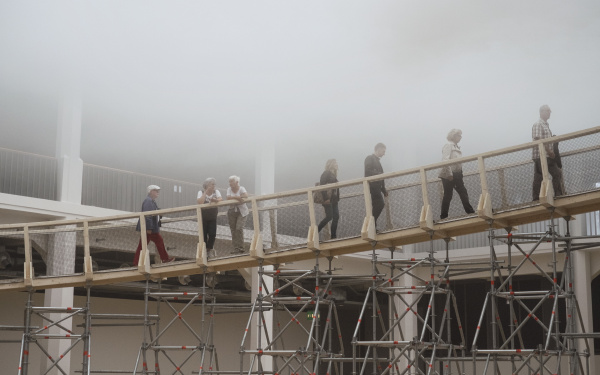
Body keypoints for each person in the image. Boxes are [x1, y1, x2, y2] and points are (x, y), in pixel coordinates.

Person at [133, 185, 175, 266]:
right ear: (151, 191)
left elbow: (152, 213)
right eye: (156, 191)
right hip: (150, 228)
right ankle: (165, 259)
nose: (158, 192)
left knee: (142, 245)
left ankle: (136, 262)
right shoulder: (149, 201)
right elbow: (147, 215)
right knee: (158, 242)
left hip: (149, 228)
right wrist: (149, 228)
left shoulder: (150, 201)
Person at [438, 129, 475, 220]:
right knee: (448, 195)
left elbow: (458, 162)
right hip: (448, 174)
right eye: (459, 135)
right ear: (454, 136)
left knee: (463, 191)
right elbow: (445, 160)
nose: (460, 137)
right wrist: (449, 174)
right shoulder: (448, 145)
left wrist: (460, 173)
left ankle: (470, 211)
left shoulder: (456, 147)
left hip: (457, 173)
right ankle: (444, 216)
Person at [532, 105, 565, 200]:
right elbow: (537, 139)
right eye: (548, 110)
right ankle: (536, 198)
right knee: (540, 177)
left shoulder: (545, 125)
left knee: (555, 174)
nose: (550, 112)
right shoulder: (538, 124)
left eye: (549, 111)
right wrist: (549, 150)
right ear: (541, 112)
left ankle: (557, 195)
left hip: (547, 156)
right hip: (541, 156)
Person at [364, 143, 388, 229]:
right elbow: (367, 172)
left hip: (377, 186)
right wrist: (378, 174)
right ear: (378, 149)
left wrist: (384, 189)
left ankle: (372, 226)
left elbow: (382, 176)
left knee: (376, 206)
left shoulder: (377, 161)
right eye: (383, 151)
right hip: (373, 186)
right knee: (380, 204)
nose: (384, 153)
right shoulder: (369, 158)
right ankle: (371, 225)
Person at [197, 178, 222, 254]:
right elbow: (200, 202)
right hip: (203, 216)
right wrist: (206, 192)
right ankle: (204, 250)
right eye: (212, 184)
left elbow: (220, 199)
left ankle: (209, 248)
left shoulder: (216, 192)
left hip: (213, 216)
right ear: (207, 185)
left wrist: (216, 200)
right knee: (203, 234)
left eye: (214, 184)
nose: (214, 186)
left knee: (212, 233)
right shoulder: (200, 192)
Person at [317, 159, 340, 239]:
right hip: (328, 199)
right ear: (331, 164)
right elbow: (322, 186)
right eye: (335, 163)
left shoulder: (333, 174)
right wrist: (326, 198)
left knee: (336, 216)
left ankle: (333, 236)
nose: (337, 164)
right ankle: (316, 232)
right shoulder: (326, 173)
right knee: (329, 216)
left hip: (334, 200)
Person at [226, 175, 249, 253]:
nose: (230, 183)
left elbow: (246, 195)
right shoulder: (229, 189)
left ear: (237, 182)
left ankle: (241, 248)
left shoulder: (241, 188)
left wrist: (236, 197)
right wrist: (238, 197)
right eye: (229, 181)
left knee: (239, 228)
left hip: (242, 211)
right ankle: (236, 248)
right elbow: (228, 197)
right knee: (233, 230)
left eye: (232, 181)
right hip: (232, 211)